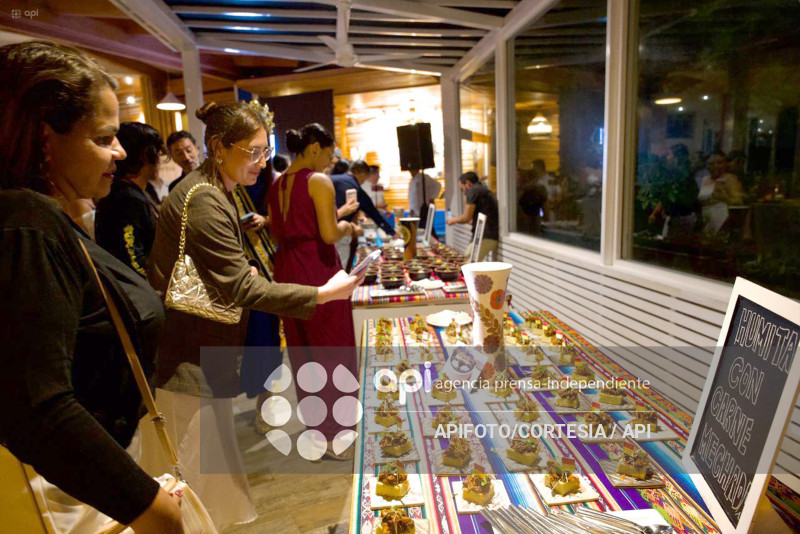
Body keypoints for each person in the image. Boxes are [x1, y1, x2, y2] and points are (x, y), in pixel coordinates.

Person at [147, 105, 360, 528]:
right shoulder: (204, 196)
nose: (263, 163)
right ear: (218, 148)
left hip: (204, 344)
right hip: (187, 350)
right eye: (254, 152)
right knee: (190, 477)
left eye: (267, 152)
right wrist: (321, 293)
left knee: (210, 473)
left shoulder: (219, 189)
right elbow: (240, 286)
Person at [0, 40, 182, 534]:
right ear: (45, 137)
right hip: (68, 494)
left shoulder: (49, 216)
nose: (120, 153)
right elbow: (39, 403)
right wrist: (153, 508)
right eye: (104, 139)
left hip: (89, 478)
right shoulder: (26, 220)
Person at [267, 123, 361, 460]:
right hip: (318, 270)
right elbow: (328, 234)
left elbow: (285, 230)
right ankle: (338, 438)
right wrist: (347, 225)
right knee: (333, 351)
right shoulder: (318, 181)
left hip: (287, 270)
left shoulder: (277, 185)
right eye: (328, 154)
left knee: (304, 352)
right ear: (314, 148)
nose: (329, 162)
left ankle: (318, 434)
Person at [95, 122, 165, 277]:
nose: (160, 160)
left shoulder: (136, 191)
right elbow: (131, 259)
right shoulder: (127, 198)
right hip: (138, 293)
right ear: (147, 154)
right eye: (158, 152)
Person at [331, 159, 397, 268]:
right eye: (365, 177)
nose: (364, 181)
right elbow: (373, 212)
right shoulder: (354, 186)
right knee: (340, 269)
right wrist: (392, 233)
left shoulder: (334, 178)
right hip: (338, 233)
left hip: (324, 229)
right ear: (361, 173)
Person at [446, 171, 499, 261]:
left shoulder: (473, 191)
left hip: (485, 236)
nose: (463, 192)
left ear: (467, 183)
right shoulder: (482, 189)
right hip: (488, 235)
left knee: (468, 265)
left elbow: (466, 218)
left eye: (462, 188)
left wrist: (453, 220)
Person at [698, 151, 744, 234]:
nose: (715, 166)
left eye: (719, 163)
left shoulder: (730, 179)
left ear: (726, 164)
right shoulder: (705, 179)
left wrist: (725, 198)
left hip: (723, 220)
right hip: (706, 221)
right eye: (711, 164)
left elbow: (738, 203)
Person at [408, 168, 442, 236]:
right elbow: (413, 199)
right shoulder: (412, 180)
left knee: (427, 229)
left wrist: (432, 197)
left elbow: (438, 185)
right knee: (420, 231)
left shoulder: (424, 177)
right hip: (415, 212)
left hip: (424, 209)